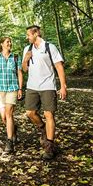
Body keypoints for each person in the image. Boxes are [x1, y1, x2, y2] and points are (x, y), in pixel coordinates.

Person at [22, 25, 67, 160]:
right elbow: (24, 69)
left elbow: (59, 66)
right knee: (30, 113)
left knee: (49, 114)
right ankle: (43, 128)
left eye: (28, 35)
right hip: (32, 86)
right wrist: (26, 59)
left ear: (36, 33)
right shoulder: (27, 49)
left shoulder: (49, 47)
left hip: (48, 86)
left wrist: (63, 86)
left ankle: (49, 147)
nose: (27, 37)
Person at [0, 37, 23, 153]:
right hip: (0, 90)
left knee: (9, 114)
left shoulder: (16, 57)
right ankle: (13, 130)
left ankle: (9, 142)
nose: (9, 43)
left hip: (12, 89)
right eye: (7, 42)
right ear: (2, 44)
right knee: (4, 117)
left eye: (10, 42)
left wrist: (20, 88)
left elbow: (19, 73)